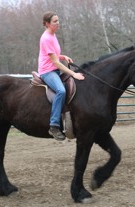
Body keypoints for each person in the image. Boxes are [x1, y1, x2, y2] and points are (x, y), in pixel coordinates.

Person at [38, 11, 85, 141]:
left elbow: (54, 55)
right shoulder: (46, 38)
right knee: (61, 91)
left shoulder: (53, 35)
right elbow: (54, 62)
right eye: (55, 21)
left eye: (58, 20)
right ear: (47, 24)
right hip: (48, 71)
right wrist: (74, 73)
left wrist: (64, 56)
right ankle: (53, 125)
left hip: (54, 68)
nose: (58, 23)